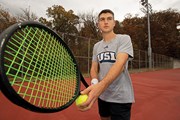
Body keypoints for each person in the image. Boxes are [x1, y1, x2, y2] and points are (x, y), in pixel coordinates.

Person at [78, 9, 135, 120]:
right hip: (103, 96)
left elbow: (120, 64)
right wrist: (94, 82)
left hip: (120, 97)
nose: (106, 22)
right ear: (98, 24)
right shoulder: (96, 46)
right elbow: (94, 67)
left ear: (114, 23)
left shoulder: (124, 39)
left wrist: (100, 86)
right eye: (102, 19)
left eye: (109, 19)